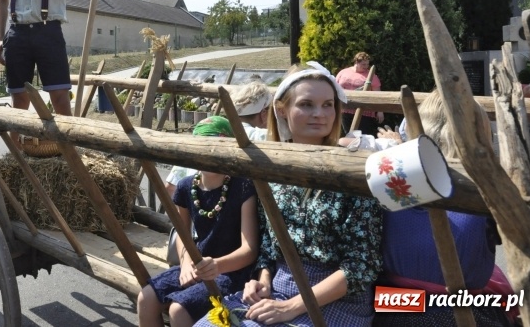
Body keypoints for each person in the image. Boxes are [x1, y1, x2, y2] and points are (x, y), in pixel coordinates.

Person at [195, 61, 383, 327]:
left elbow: (361, 267)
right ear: (282, 110)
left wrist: (291, 307)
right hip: (279, 288)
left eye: (328, 104)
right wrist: (261, 281)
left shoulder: (354, 174)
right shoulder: (274, 172)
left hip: (336, 299)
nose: (320, 113)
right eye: (306, 104)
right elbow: (270, 248)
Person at [373, 90, 512, 327]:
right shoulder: (488, 187)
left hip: (391, 306)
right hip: (464, 313)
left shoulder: (390, 176)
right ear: (480, 133)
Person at [139, 116, 259, 327]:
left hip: (233, 272)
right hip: (198, 264)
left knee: (179, 309)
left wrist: (216, 266)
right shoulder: (186, 187)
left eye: (218, 147)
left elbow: (249, 250)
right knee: (146, 298)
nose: (210, 155)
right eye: (203, 148)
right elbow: (182, 233)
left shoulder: (243, 187)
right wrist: (185, 264)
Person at [336, 52, 384, 135]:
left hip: (364, 111)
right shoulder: (343, 72)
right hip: (345, 109)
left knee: (362, 135)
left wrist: (380, 111)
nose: (366, 67)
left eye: (367, 64)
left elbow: (378, 93)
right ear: (356, 62)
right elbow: (336, 88)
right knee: (348, 134)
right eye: (363, 64)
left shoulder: (371, 76)